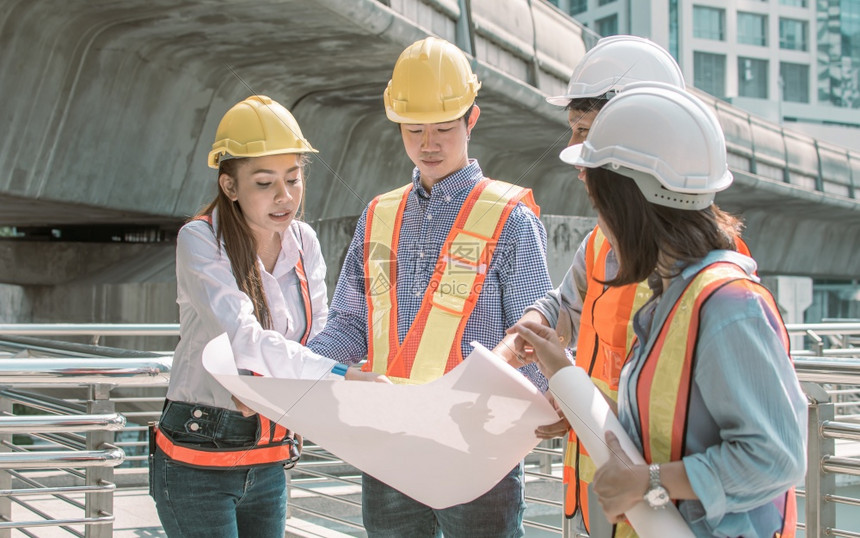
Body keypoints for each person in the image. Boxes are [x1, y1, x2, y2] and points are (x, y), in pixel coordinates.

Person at [512, 83, 807, 537]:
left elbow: (776, 457)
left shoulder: (729, 304)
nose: (602, 227)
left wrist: (650, 484)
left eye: (600, 205)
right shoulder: (668, 297)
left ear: (631, 207)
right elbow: (661, 430)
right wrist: (562, 375)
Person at [307, 36, 553, 537]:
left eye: (443, 128)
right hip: (389, 451)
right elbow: (354, 323)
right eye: (413, 129)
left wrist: (520, 431)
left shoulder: (509, 219)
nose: (428, 144)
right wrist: (297, 367)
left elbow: (538, 342)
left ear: (472, 120)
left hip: (479, 456)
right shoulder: (378, 216)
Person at [151, 95, 382, 538]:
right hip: (199, 455)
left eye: (293, 179)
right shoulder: (200, 241)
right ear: (229, 186)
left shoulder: (304, 241)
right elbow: (245, 339)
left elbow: (317, 335)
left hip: (271, 455)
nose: (285, 196)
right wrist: (339, 376)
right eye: (264, 183)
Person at [494, 35, 698, 536]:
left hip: (663, 508)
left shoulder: (710, 279)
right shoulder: (600, 245)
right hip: (603, 497)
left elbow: (751, 451)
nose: (574, 153)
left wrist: (597, 414)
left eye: (584, 133)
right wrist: (537, 326)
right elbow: (565, 304)